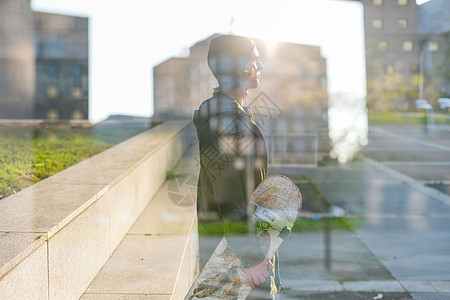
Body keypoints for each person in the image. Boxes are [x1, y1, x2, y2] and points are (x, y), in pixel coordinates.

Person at [193, 34, 280, 299]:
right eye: (255, 59)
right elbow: (231, 197)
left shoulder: (231, 117)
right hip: (238, 257)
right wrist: (253, 258)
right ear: (241, 66)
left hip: (241, 248)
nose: (260, 66)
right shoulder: (227, 122)